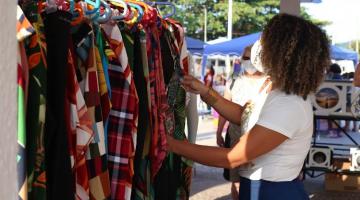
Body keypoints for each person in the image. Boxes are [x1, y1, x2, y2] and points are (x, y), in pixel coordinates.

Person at [168, 13, 330, 200]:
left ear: (281, 52)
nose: (259, 46)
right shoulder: (272, 88)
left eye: (265, 40)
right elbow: (244, 115)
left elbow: (231, 157)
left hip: (274, 191)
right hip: (258, 186)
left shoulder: (289, 104)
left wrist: (173, 145)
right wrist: (206, 92)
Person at [216, 45, 268, 200]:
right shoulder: (233, 80)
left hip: (259, 139)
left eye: (252, 58)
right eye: (246, 58)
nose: (249, 62)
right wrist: (219, 131)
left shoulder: (268, 82)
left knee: (255, 180)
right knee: (236, 181)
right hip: (234, 137)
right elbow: (225, 105)